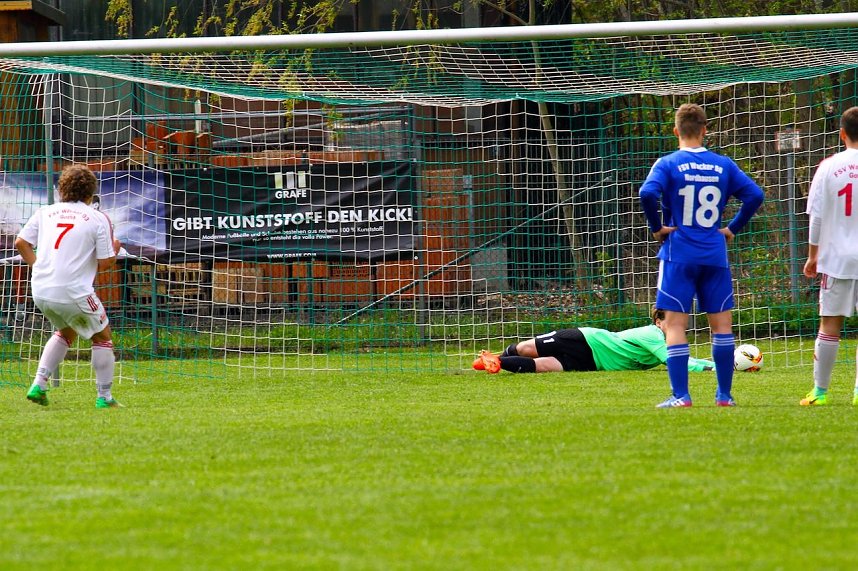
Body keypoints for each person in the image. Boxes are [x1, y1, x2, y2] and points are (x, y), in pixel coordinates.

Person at [639, 103, 764, 408]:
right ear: (705, 130)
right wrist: (732, 228)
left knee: (676, 326)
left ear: (676, 131)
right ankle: (724, 395)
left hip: (679, 254)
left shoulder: (668, 163)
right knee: (721, 326)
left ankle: (681, 395)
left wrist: (658, 228)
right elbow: (755, 195)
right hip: (714, 253)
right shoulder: (723, 164)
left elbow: (646, 194)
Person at [15, 164, 123, 409]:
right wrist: (115, 249)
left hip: (41, 289)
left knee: (67, 331)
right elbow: (105, 263)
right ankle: (104, 398)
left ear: (61, 189)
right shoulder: (97, 217)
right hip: (73, 290)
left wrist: (37, 266)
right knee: (102, 336)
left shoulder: (45, 212)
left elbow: (21, 242)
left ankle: (38, 384)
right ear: (90, 193)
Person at [801, 106, 858, 406]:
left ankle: (820, 392)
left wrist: (813, 256)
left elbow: (817, 218)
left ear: (842, 134)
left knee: (830, 324)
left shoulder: (828, 167)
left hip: (837, 259)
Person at [473, 307, 716, 374]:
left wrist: (712, 364)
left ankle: (496, 362)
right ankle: (492, 357)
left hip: (592, 363)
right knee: (526, 348)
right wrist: (715, 366)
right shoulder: (652, 335)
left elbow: (682, 359)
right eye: (670, 320)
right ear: (658, 322)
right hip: (587, 340)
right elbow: (675, 362)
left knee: (543, 366)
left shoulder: (669, 341)